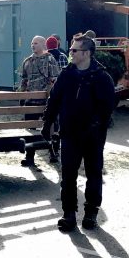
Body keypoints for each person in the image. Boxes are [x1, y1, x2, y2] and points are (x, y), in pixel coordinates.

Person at [42, 34, 116, 232]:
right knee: (68, 175)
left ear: (87, 53)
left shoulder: (102, 77)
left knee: (93, 174)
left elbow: (108, 107)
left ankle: (91, 212)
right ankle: (69, 215)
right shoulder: (67, 74)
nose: (70, 53)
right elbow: (54, 99)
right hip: (70, 134)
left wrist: (95, 125)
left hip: (93, 136)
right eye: (71, 49)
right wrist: (47, 122)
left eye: (75, 50)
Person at [19, 35, 60, 167]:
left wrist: (52, 97)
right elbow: (24, 80)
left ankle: (53, 153)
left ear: (43, 45)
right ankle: (29, 156)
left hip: (46, 102)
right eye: (32, 43)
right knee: (30, 130)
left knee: (51, 128)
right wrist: (21, 95)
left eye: (36, 43)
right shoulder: (27, 61)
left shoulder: (50, 60)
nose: (32, 45)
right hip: (30, 101)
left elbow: (54, 79)